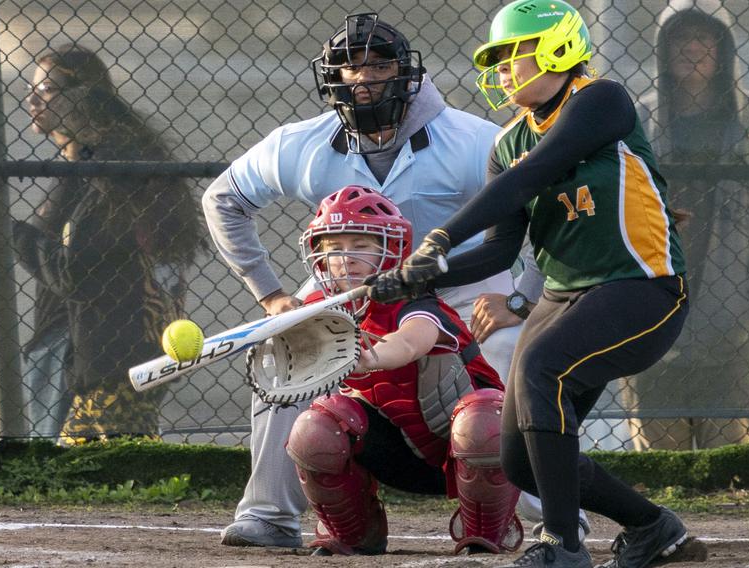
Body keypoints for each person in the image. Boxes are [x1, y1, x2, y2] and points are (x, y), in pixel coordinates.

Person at [202, 12, 578, 549]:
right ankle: (268, 514)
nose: (365, 77)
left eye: (379, 64)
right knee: (285, 351)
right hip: (352, 291)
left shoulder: (472, 139)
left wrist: (522, 296)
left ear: (407, 73)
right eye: (351, 67)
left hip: (464, 289)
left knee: (518, 358)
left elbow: (552, 206)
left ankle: (554, 518)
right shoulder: (301, 144)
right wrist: (272, 295)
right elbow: (222, 199)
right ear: (332, 78)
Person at [369, 1, 708, 566]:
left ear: (555, 48)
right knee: (521, 458)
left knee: (538, 367)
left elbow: (537, 171)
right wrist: (416, 278)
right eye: (496, 59)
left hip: (640, 287)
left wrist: (441, 239)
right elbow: (503, 248)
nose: (501, 70)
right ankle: (653, 527)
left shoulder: (601, 100)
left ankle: (564, 546)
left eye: (511, 54)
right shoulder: (507, 144)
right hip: (564, 297)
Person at [281, 185, 521, 555]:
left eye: (360, 246)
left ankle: (487, 531)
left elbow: (412, 340)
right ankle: (355, 533)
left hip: (466, 449)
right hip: (396, 455)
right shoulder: (320, 308)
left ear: (391, 249)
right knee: (314, 429)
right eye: (333, 248)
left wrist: (372, 355)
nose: (345, 258)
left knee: (482, 417)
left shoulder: (412, 298)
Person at [622, 0, 749, 450]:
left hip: (733, 314)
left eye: (704, 37)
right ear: (662, 50)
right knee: (658, 462)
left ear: (724, 49)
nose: (693, 48)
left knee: (729, 463)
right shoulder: (638, 122)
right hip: (652, 307)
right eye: (681, 38)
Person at [0, 44, 204, 441]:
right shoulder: (95, 165)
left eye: (47, 90)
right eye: (30, 88)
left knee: (86, 464)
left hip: (96, 352)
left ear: (83, 95)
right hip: (104, 344)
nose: (31, 99)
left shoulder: (111, 174)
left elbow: (73, 271)